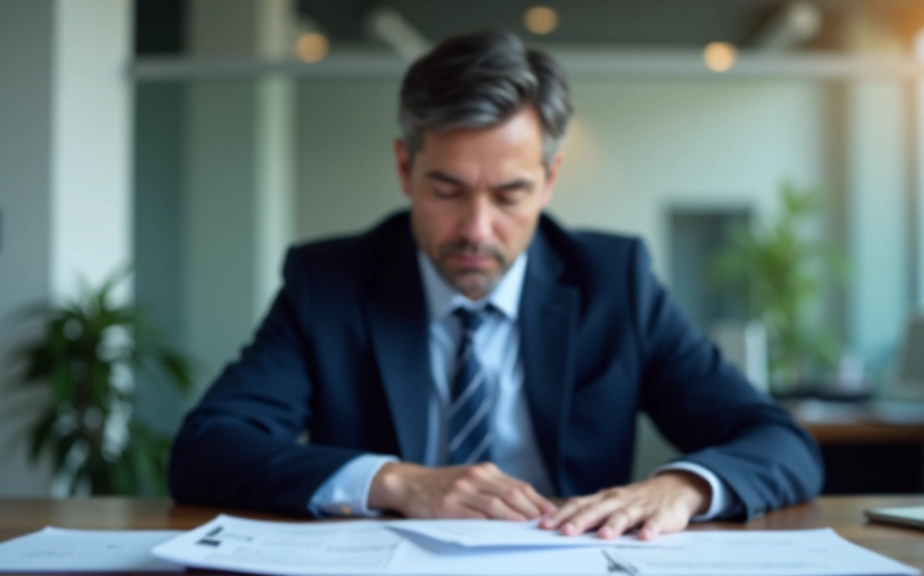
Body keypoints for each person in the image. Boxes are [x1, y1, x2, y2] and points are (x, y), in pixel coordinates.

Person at [169, 29, 823, 540]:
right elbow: (207, 449)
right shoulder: (328, 284)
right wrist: (398, 483)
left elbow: (779, 442)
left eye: (511, 194)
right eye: (448, 190)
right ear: (404, 167)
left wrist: (681, 488)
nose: (477, 228)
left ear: (551, 178)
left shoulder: (614, 282)